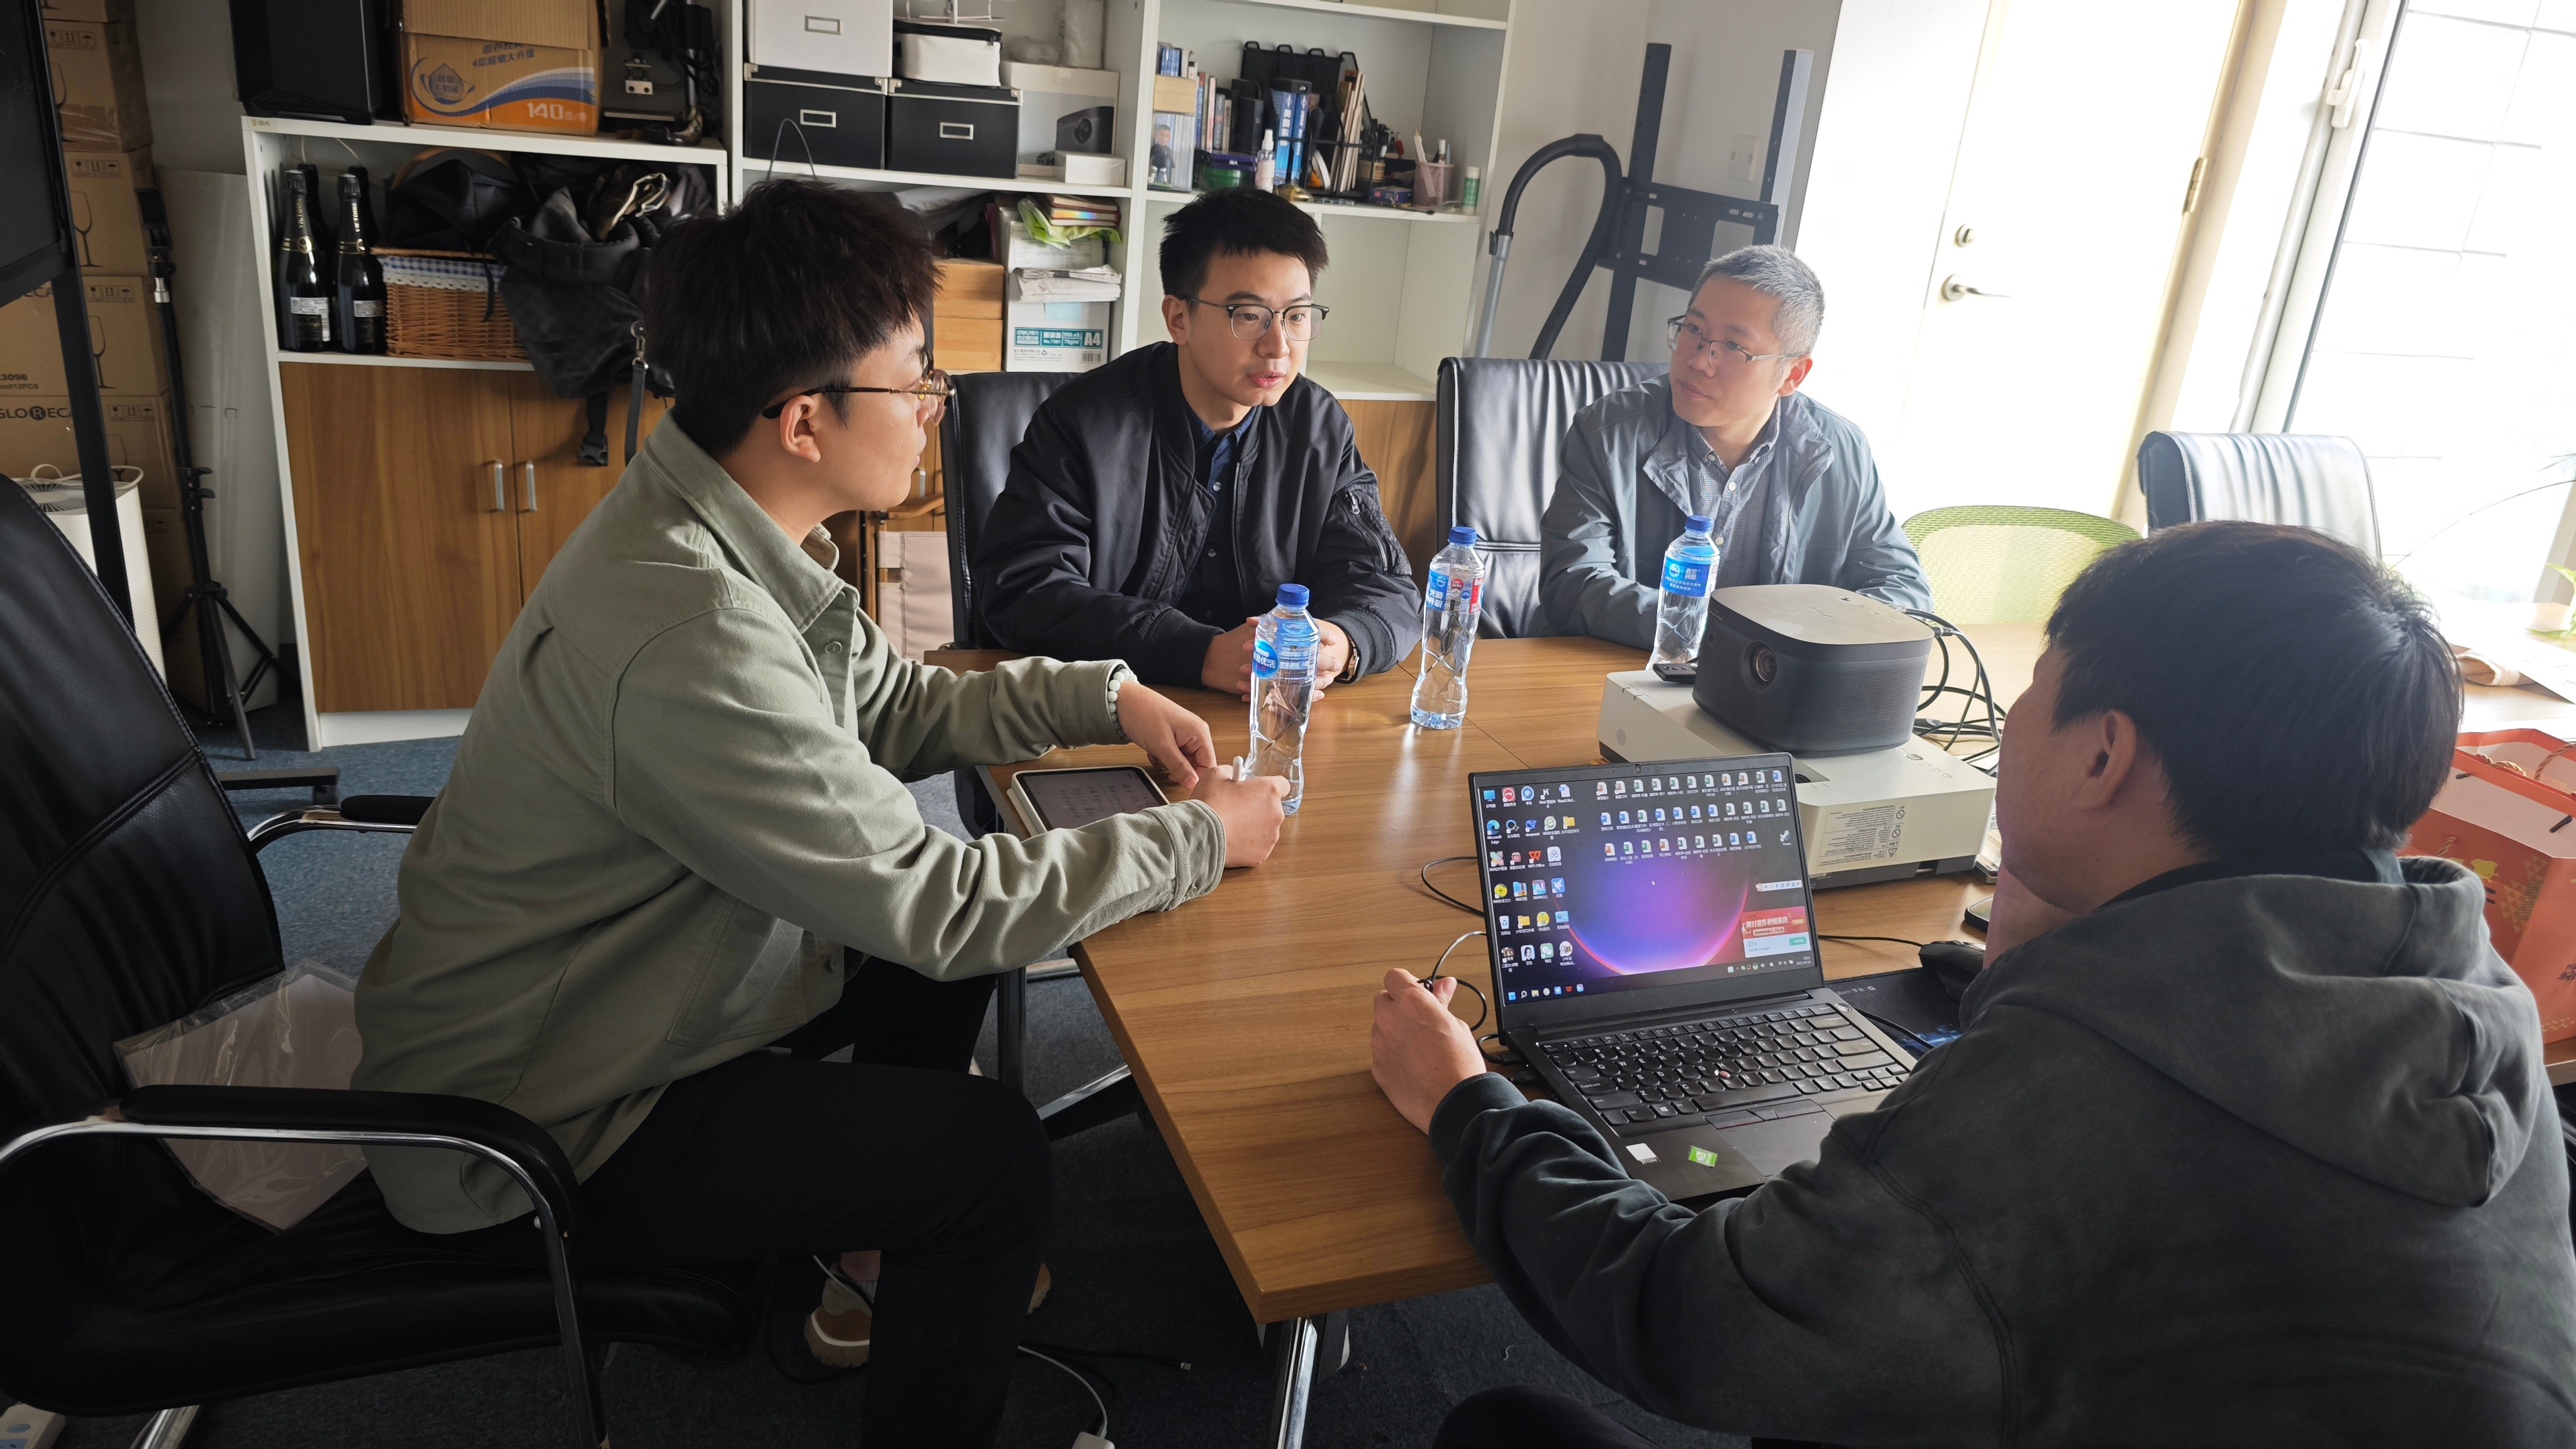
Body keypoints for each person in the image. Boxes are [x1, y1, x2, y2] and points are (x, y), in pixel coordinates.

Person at [350, 179, 1290, 1449]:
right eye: (916, 383)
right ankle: (915, 1269)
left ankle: (869, 1256)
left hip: (623, 989)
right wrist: (1200, 838)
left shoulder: (714, 515)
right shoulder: (692, 632)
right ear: (803, 420)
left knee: (932, 973)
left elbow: (890, 706)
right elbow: (942, 907)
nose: (934, 409)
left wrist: (1102, 694)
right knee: (990, 1155)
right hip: (533, 1119)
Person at [1374, 521, 2576, 1446]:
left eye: (2035, 688)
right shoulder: (2472, 995)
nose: (2010, 714)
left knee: (1502, 1425)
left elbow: (1685, 1315)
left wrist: (1469, 1107)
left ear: (2103, 754)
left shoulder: (2060, 1096)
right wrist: (2034, 974)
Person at [974, 187, 1418, 699]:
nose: (1278, 346)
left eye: (1296, 316)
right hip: (1114, 708)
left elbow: (1383, 582)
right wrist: (1197, 653)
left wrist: (1341, 642)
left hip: (1268, 712)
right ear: (1178, 318)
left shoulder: (1319, 427)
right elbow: (1026, 591)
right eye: (1248, 314)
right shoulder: (1084, 423)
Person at [1539, 245, 1930, 647]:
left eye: (1733, 348)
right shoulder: (1608, 433)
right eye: (1693, 330)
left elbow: (1902, 587)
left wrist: (1803, 645)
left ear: (1793, 375)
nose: (1698, 360)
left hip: (1779, 678)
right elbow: (1572, 585)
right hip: (1628, 668)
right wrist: (1732, 637)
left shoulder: (1840, 451)